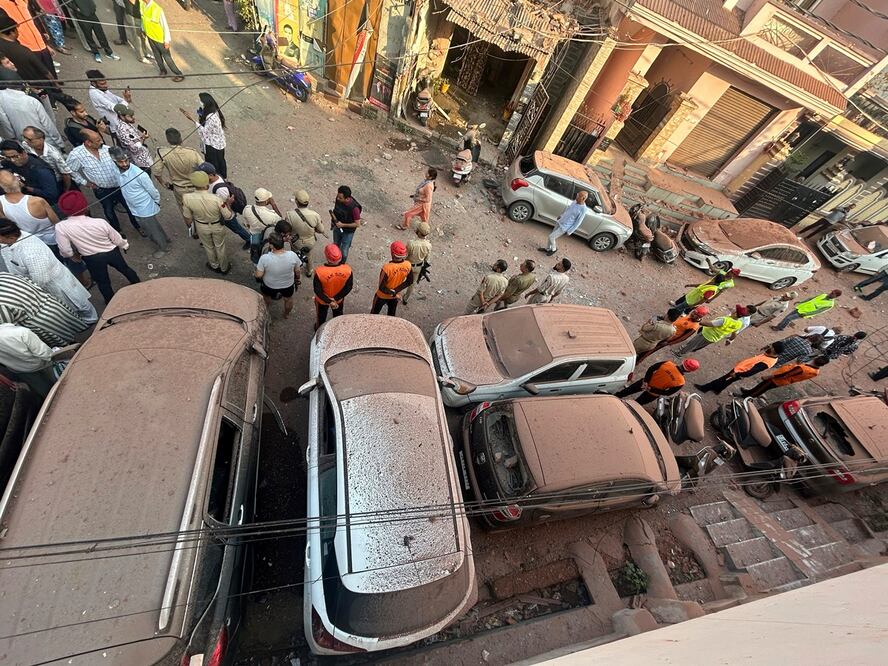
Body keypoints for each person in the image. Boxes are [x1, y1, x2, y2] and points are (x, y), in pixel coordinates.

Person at [0, 218, 96, 322]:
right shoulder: (11, 239)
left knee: (77, 303)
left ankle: (91, 320)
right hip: (35, 281)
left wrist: (31, 293)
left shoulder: (31, 252)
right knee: (67, 307)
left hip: (54, 283)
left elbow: (41, 278)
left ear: (9, 237)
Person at [56, 189, 140, 303]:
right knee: (125, 269)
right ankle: (139, 285)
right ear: (85, 206)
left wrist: (73, 257)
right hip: (112, 252)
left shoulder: (61, 227)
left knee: (103, 283)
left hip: (92, 258)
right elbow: (116, 239)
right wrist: (124, 245)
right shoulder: (100, 222)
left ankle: (111, 304)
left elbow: (65, 250)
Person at [66, 129, 142, 235]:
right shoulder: (76, 155)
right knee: (109, 210)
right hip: (101, 190)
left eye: (100, 139)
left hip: (118, 185)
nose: (101, 142)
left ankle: (138, 226)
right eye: (97, 141)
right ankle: (117, 231)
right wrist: (84, 182)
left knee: (129, 207)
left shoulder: (107, 150)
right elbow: (70, 170)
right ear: (88, 142)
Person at [0, 271, 89, 346]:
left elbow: (6, 327)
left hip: (41, 323)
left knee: (63, 345)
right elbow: (32, 283)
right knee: (70, 332)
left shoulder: (1, 303)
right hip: (51, 304)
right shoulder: (4, 275)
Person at [109, 147, 169, 257]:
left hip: (144, 207)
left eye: (126, 160)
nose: (124, 164)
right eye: (120, 162)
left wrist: (156, 202)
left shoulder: (139, 174)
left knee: (152, 228)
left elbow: (152, 190)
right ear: (114, 161)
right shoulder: (116, 170)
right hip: (134, 207)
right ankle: (165, 240)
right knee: (151, 226)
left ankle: (163, 247)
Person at [0, 7, 59, 98]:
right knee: (46, 99)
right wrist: (55, 84)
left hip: (20, 85)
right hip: (36, 83)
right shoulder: (24, 51)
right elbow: (45, 72)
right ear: (12, 32)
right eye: (16, 29)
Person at [181, 170, 232, 274]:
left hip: (201, 226)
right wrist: (229, 204)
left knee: (208, 247)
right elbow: (228, 216)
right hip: (217, 225)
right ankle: (224, 267)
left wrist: (192, 229)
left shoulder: (186, 198)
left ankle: (214, 265)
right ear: (206, 183)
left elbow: (188, 218)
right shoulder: (216, 199)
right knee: (220, 247)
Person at [0, 168, 58, 251]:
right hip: (53, 239)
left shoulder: (1, 203)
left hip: (32, 243)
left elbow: (8, 224)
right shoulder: (37, 201)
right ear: (17, 179)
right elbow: (56, 223)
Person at [198, 162, 251, 248]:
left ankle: (249, 239)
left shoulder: (220, 190)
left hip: (225, 214)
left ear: (211, 175)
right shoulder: (216, 177)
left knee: (236, 228)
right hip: (218, 212)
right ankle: (210, 241)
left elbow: (224, 205)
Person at [152, 127, 203, 214]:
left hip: (180, 189)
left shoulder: (163, 153)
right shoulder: (192, 153)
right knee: (200, 210)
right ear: (180, 139)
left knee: (186, 212)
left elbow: (156, 171)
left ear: (168, 140)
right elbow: (204, 168)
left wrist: (163, 182)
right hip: (195, 186)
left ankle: (190, 227)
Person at [0, 81, 63, 150]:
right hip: (44, 139)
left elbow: (5, 123)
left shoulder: (3, 98)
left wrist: (12, 138)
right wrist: (59, 143)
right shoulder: (32, 100)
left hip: (24, 141)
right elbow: (48, 124)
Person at [695, 344, 781, 394]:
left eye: (771, 347)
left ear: (774, 351)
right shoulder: (770, 356)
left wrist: (737, 374)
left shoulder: (767, 362)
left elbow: (752, 372)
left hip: (740, 372)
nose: (769, 347)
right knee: (727, 381)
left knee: (722, 379)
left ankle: (705, 388)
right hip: (740, 369)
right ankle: (717, 390)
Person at [0, 321, 55, 396]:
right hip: (44, 366)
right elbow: (46, 354)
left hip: (23, 373)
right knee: (62, 384)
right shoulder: (21, 332)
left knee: (49, 394)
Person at [637, 306, 708, 364]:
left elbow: (683, 338)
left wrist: (668, 343)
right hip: (665, 331)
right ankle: (638, 353)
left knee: (651, 350)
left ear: (699, 317)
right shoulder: (688, 316)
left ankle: (638, 361)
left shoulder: (694, 326)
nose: (693, 315)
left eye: (696, 315)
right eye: (693, 312)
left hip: (668, 338)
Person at [616, 358, 700, 405]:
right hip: (652, 394)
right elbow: (668, 393)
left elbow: (651, 368)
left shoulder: (668, 363)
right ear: (689, 371)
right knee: (636, 404)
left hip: (644, 383)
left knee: (625, 392)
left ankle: (614, 398)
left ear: (683, 362)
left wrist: (646, 381)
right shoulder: (681, 382)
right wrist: (650, 389)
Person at [255, 232, 301, 318]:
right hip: (288, 285)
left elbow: (258, 275)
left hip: (269, 285)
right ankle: (286, 314)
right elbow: (297, 271)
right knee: (288, 299)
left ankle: (266, 313)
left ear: (271, 246)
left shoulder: (265, 258)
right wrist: (297, 279)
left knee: (266, 298)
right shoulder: (292, 255)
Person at [180, 93, 226, 176]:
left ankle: (215, 177)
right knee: (221, 160)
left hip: (213, 144)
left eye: (201, 101)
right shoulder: (213, 110)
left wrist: (193, 120)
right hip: (219, 142)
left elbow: (205, 132)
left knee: (213, 163)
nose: (199, 102)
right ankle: (223, 176)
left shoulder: (210, 117)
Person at [676, 305, 749, 356]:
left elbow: (710, 324)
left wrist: (697, 321)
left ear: (736, 314)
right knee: (698, 345)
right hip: (714, 338)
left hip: (706, 334)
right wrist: (730, 339)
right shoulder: (739, 323)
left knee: (693, 343)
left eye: (735, 310)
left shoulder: (725, 320)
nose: (733, 310)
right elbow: (734, 333)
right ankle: (688, 349)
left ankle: (680, 353)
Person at [0, 139, 57, 204]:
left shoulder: (41, 171)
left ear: (23, 153)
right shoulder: (9, 161)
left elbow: (52, 194)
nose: (12, 160)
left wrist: (26, 187)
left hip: (44, 202)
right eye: (8, 157)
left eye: (15, 156)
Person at [740, 356, 829, 398]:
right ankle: (748, 392)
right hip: (784, 381)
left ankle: (746, 397)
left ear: (815, 359)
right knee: (761, 387)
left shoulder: (802, 368)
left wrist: (770, 376)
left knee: (761, 388)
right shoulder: (816, 371)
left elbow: (786, 374)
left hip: (777, 379)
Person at [140, 0, 184, 81]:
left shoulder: (157, 9)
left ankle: (179, 74)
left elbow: (165, 26)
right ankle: (163, 70)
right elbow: (143, 18)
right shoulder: (142, 5)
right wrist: (143, 30)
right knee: (156, 54)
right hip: (150, 36)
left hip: (160, 39)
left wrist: (167, 40)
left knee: (167, 57)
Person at [286, 189, 325, 276]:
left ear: (296, 201)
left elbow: (287, 230)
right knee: (309, 255)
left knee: (295, 256)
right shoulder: (315, 215)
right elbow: (321, 230)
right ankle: (309, 271)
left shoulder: (290, 215)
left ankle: (296, 271)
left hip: (296, 241)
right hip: (310, 241)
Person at [313, 243, 352, 330]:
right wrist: (335, 299)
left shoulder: (320, 272)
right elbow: (348, 287)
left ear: (327, 257)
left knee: (321, 317)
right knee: (337, 315)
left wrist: (329, 301)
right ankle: (336, 330)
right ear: (340, 257)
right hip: (338, 299)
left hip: (323, 300)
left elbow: (317, 290)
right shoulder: (347, 270)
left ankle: (319, 331)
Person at [22, 126, 71, 191]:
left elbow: (66, 175)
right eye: (24, 137)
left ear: (41, 139)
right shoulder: (26, 145)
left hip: (55, 182)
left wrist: (66, 190)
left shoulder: (54, 155)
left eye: (29, 139)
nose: (25, 141)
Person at [539, 191, 587, 256]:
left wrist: (570, 231)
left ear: (583, 198)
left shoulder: (583, 209)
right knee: (551, 235)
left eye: (578, 196)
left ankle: (554, 249)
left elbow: (578, 222)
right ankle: (547, 249)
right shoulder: (575, 201)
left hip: (565, 226)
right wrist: (561, 216)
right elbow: (568, 210)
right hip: (561, 221)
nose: (576, 197)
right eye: (577, 195)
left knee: (551, 237)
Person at [371, 241, 412, 316]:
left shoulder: (387, 268)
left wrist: (391, 292)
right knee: (391, 314)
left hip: (382, 296)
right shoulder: (408, 265)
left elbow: (381, 287)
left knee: (374, 313)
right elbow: (409, 281)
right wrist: (396, 291)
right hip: (395, 296)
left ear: (392, 253)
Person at [243, 188, 282, 264]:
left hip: (254, 234)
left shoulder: (247, 209)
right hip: (266, 236)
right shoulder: (271, 215)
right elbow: (280, 220)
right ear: (267, 201)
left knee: (255, 250)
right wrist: (273, 204)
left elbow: (246, 224)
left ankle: (256, 263)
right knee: (266, 251)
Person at [86, 70, 129, 137]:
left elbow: (115, 99)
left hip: (121, 122)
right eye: (102, 84)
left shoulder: (102, 89)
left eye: (105, 83)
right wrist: (126, 100)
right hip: (116, 127)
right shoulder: (95, 94)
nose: (106, 85)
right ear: (94, 84)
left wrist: (124, 100)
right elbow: (115, 108)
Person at [772, 290, 841, 331]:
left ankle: (778, 327)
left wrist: (807, 314)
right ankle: (782, 327)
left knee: (788, 318)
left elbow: (818, 311)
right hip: (801, 307)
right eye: (831, 292)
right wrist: (800, 302)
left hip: (805, 313)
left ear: (836, 296)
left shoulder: (830, 304)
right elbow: (811, 298)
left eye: (833, 293)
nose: (830, 293)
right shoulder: (823, 295)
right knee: (788, 317)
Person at [112, 104, 152, 170]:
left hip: (143, 156)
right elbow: (134, 148)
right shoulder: (123, 131)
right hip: (139, 162)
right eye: (129, 116)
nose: (133, 118)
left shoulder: (127, 123)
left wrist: (141, 137)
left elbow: (134, 139)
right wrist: (143, 138)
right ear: (121, 116)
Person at [330, 185, 361, 263]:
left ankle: (342, 264)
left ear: (347, 198)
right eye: (337, 196)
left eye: (340, 198)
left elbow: (357, 224)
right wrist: (333, 223)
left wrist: (342, 225)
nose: (337, 199)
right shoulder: (339, 199)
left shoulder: (354, 208)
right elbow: (336, 210)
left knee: (344, 250)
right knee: (336, 245)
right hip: (337, 227)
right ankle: (334, 261)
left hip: (348, 232)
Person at [402, 222, 431, 305]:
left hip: (407, 265)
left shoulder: (411, 243)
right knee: (412, 284)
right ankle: (406, 299)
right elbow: (427, 259)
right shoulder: (428, 245)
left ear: (418, 231)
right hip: (418, 267)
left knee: (400, 279)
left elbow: (405, 255)